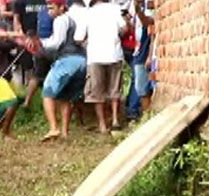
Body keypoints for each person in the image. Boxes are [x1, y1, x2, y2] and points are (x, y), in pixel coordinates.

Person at [35, 0, 87, 141]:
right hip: (81, 61)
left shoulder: (60, 20)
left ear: (61, 7)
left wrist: (40, 43)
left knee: (48, 91)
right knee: (64, 97)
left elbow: (56, 43)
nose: (49, 11)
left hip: (67, 60)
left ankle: (53, 128)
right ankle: (64, 132)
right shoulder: (71, 20)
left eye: (52, 8)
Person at [75, 0, 127, 134]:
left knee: (97, 91)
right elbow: (124, 28)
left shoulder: (87, 13)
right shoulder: (115, 9)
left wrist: (87, 42)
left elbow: (78, 37)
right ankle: (115, 120)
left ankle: (102, 125)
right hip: (114, 54)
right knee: (115, 89)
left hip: (96, 56)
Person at [13, 0, 47, 107]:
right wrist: (24, 38)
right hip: (27, 41)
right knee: (29, 69)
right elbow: (16, 22)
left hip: (45, 40)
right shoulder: (19, 2)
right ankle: (27, 100)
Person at [131, 0, 155, 114]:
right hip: (138, 52)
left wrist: (138, 11)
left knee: (143, 89)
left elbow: (148, 22)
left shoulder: (149, 7)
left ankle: (147, 116)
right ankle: (146, 115)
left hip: (145, 53)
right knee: (141, 88)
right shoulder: (137, 9)